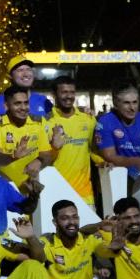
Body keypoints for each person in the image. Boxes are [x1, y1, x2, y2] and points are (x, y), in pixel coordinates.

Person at [0, 85, 58, 189]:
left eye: (26, 103)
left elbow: (46, 154)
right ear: (6, 106)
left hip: (33, 190)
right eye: (17, 103)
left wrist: (39, 161)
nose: (23, 108)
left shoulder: (39, 122)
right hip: (5, 188)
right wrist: (14, 157)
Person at [95, 82, 140, 187]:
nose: (132, 108)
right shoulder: (105, 122)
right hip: (117, 179)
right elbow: (109, 156)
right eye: (126, 103)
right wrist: (136, 162)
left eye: (135, 102)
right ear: (116, 104)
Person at [46, 76, 99, 206]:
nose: (69, 96)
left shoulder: (88, 118)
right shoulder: (46, 122)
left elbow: (93, 148)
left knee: (90, 227)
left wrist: (103, 162)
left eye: (72, 92)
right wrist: (54, 147)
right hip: (57, 192)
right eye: (64, 92)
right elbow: (43, 159)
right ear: (54, 95)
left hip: (85, 194)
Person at [0, 54, 53, 122]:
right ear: (10, 77)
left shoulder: (43, 101)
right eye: (20, 70)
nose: (26, 74)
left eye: (28, 69)